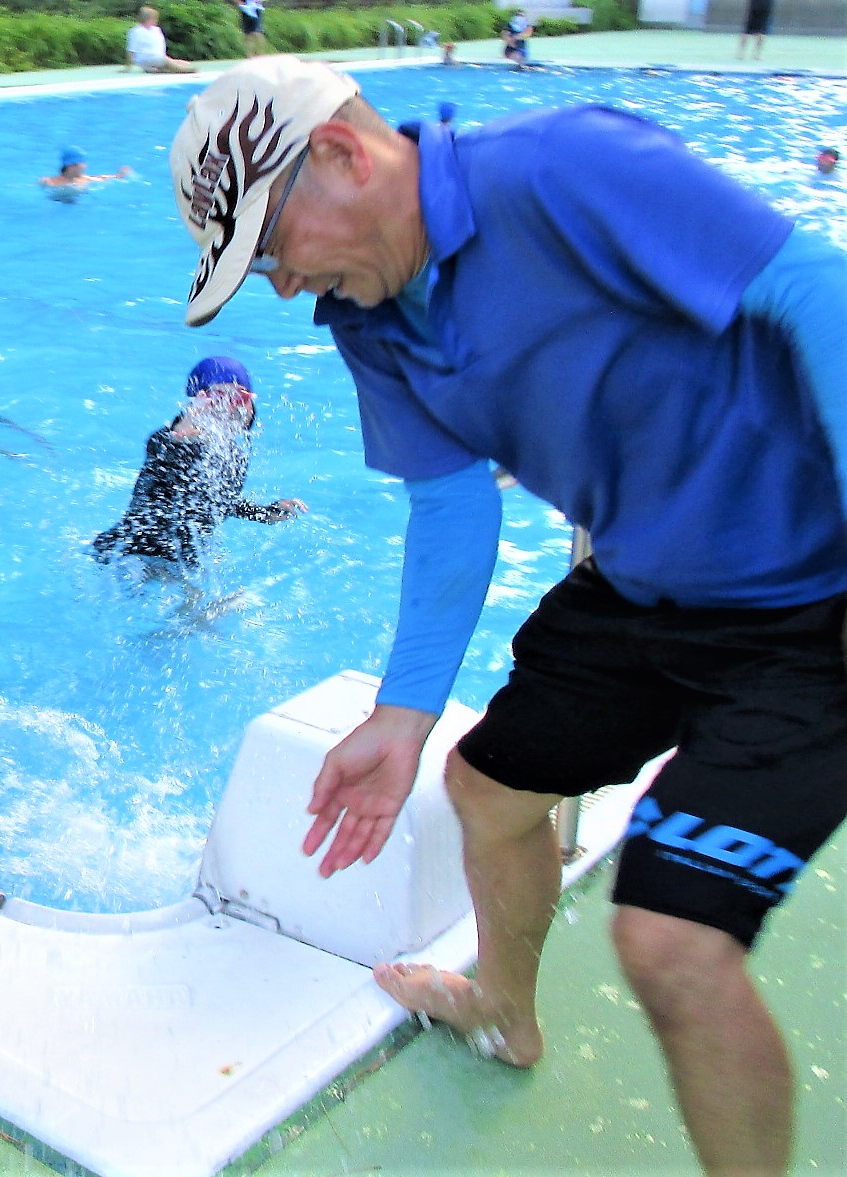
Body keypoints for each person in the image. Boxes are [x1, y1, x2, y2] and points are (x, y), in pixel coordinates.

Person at [171, 55, 847, 1174]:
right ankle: (504, 1010)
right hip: (644, 582)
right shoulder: (367, 319)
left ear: (340, 156)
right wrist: (401, 712)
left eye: (270, 247)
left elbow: (813, 291)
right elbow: (448, 503)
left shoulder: (564, 166)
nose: (280, 288)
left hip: (813, 596)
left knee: (670, 941)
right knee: (486, 790)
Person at [92, 356, 306, 567]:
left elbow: (220, 500)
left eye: (239, 399)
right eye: (218, 398)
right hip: (129, 554)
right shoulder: (164, 441)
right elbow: (164, 457)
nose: (229, 408)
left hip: (179, 561)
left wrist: (265, 513)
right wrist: (180, 435)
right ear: (197, 402)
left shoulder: (233, 454)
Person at [124, 7, 196, 74]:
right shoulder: (135, 32)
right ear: (147, 19)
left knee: (184, 63)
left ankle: (157, 69)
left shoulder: (156, 30)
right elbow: (131, 50)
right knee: (168, 63)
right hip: (145, 59)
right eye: (154, 18)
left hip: (159, 57)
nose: (156, 20)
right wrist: (128, 68)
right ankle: (181, 70)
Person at [39, 147, 130, 193]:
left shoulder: (84, 179)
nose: (85, 166)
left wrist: (118, 176)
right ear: (72, 165)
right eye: (82, 163)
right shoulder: (51, 182)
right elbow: (43, 182)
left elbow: (101, 178)